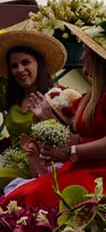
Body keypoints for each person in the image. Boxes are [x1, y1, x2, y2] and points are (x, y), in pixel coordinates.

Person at [0, 20, 106, 209]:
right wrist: (50, 136)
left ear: (97, 56)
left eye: (86, 51)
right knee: (17, 197)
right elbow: (78, 139)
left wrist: (70, 152)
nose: (82, 57)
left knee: (27, 199)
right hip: (82, 169)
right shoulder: (91, 96)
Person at [0, 29, 67, 189]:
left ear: (38, 63)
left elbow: (65, 138)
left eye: (25, 62)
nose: (20, 70)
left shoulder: (55, 97)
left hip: (42, 167)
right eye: (14, 66)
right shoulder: (12, 100)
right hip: (12, 164)